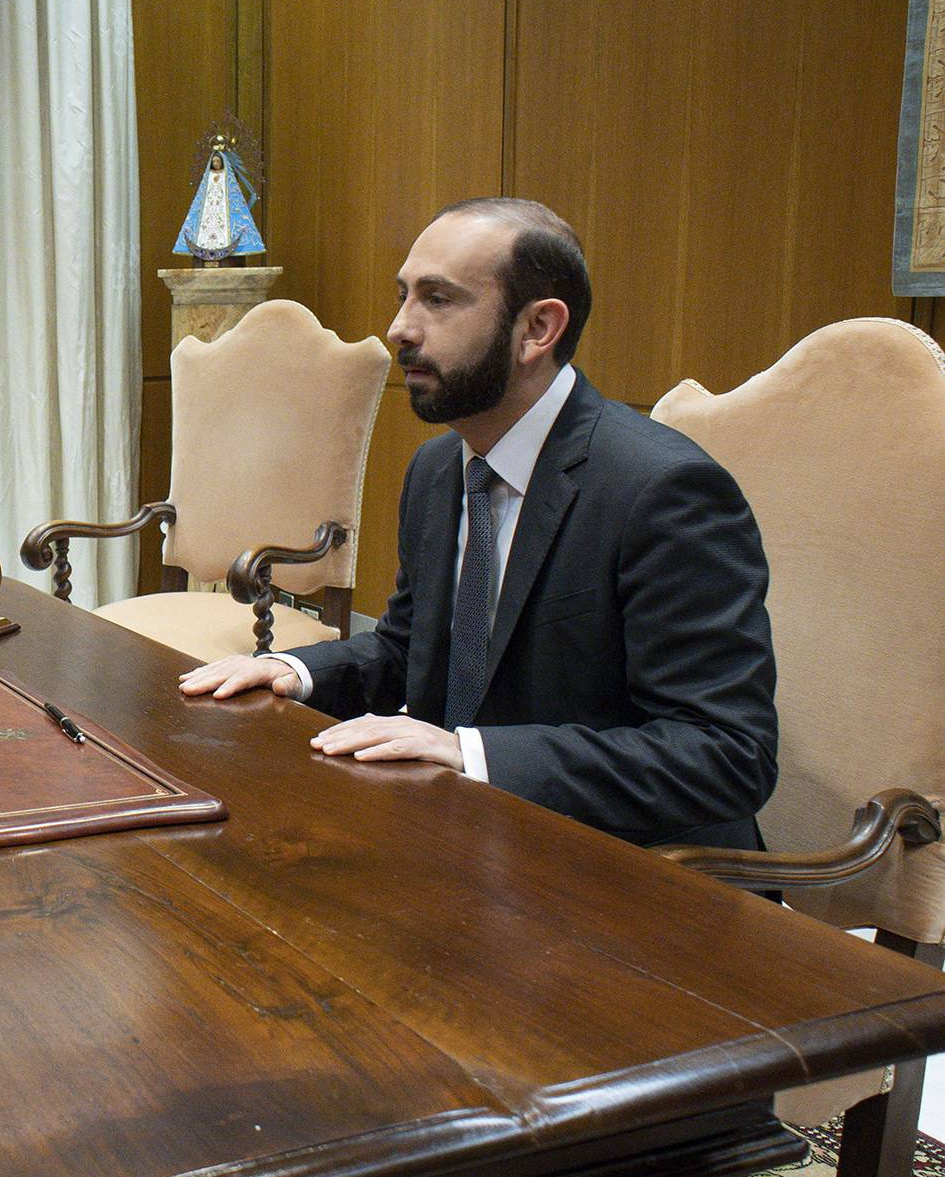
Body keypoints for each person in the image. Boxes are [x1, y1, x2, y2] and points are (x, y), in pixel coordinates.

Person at [181, 198, 777, 850]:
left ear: (537, 329)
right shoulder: (440, 469)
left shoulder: (663, 492)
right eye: (404, 296)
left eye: (437, 300)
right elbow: (409, 649)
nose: (398, 328)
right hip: (472, 841)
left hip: (632, 868)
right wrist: (296, 672)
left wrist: (471, 754)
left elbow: (724, 754)